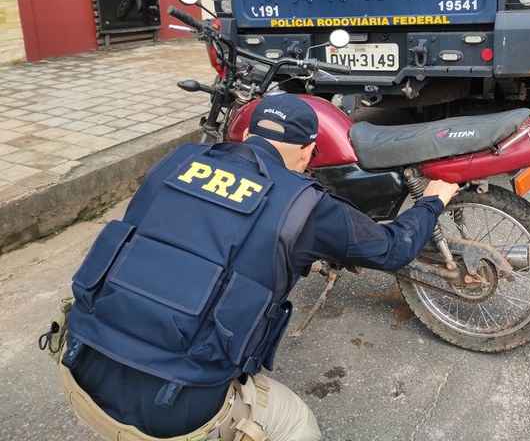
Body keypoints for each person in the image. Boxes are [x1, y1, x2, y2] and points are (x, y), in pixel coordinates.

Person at [58, 93, 459, 441]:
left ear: (248, 136)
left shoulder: (177, 161)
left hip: (78, 371)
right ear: (307, 153)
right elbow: (393, 248)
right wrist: (433, 200)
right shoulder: (305, 206)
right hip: (171, 415)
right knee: (298, 426)